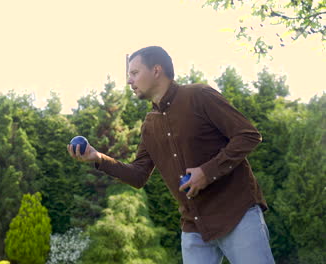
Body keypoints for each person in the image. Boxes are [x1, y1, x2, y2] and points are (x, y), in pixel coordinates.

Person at [68, 46, 275, 264]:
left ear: (156, 70)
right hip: (194, 226)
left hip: (237, 214)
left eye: (134, 73)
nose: (129, 81)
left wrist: (207, 172)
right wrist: (98, 158)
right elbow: (139, 175)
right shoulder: (149, 125)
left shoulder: (199, 95)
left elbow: (248, 135)